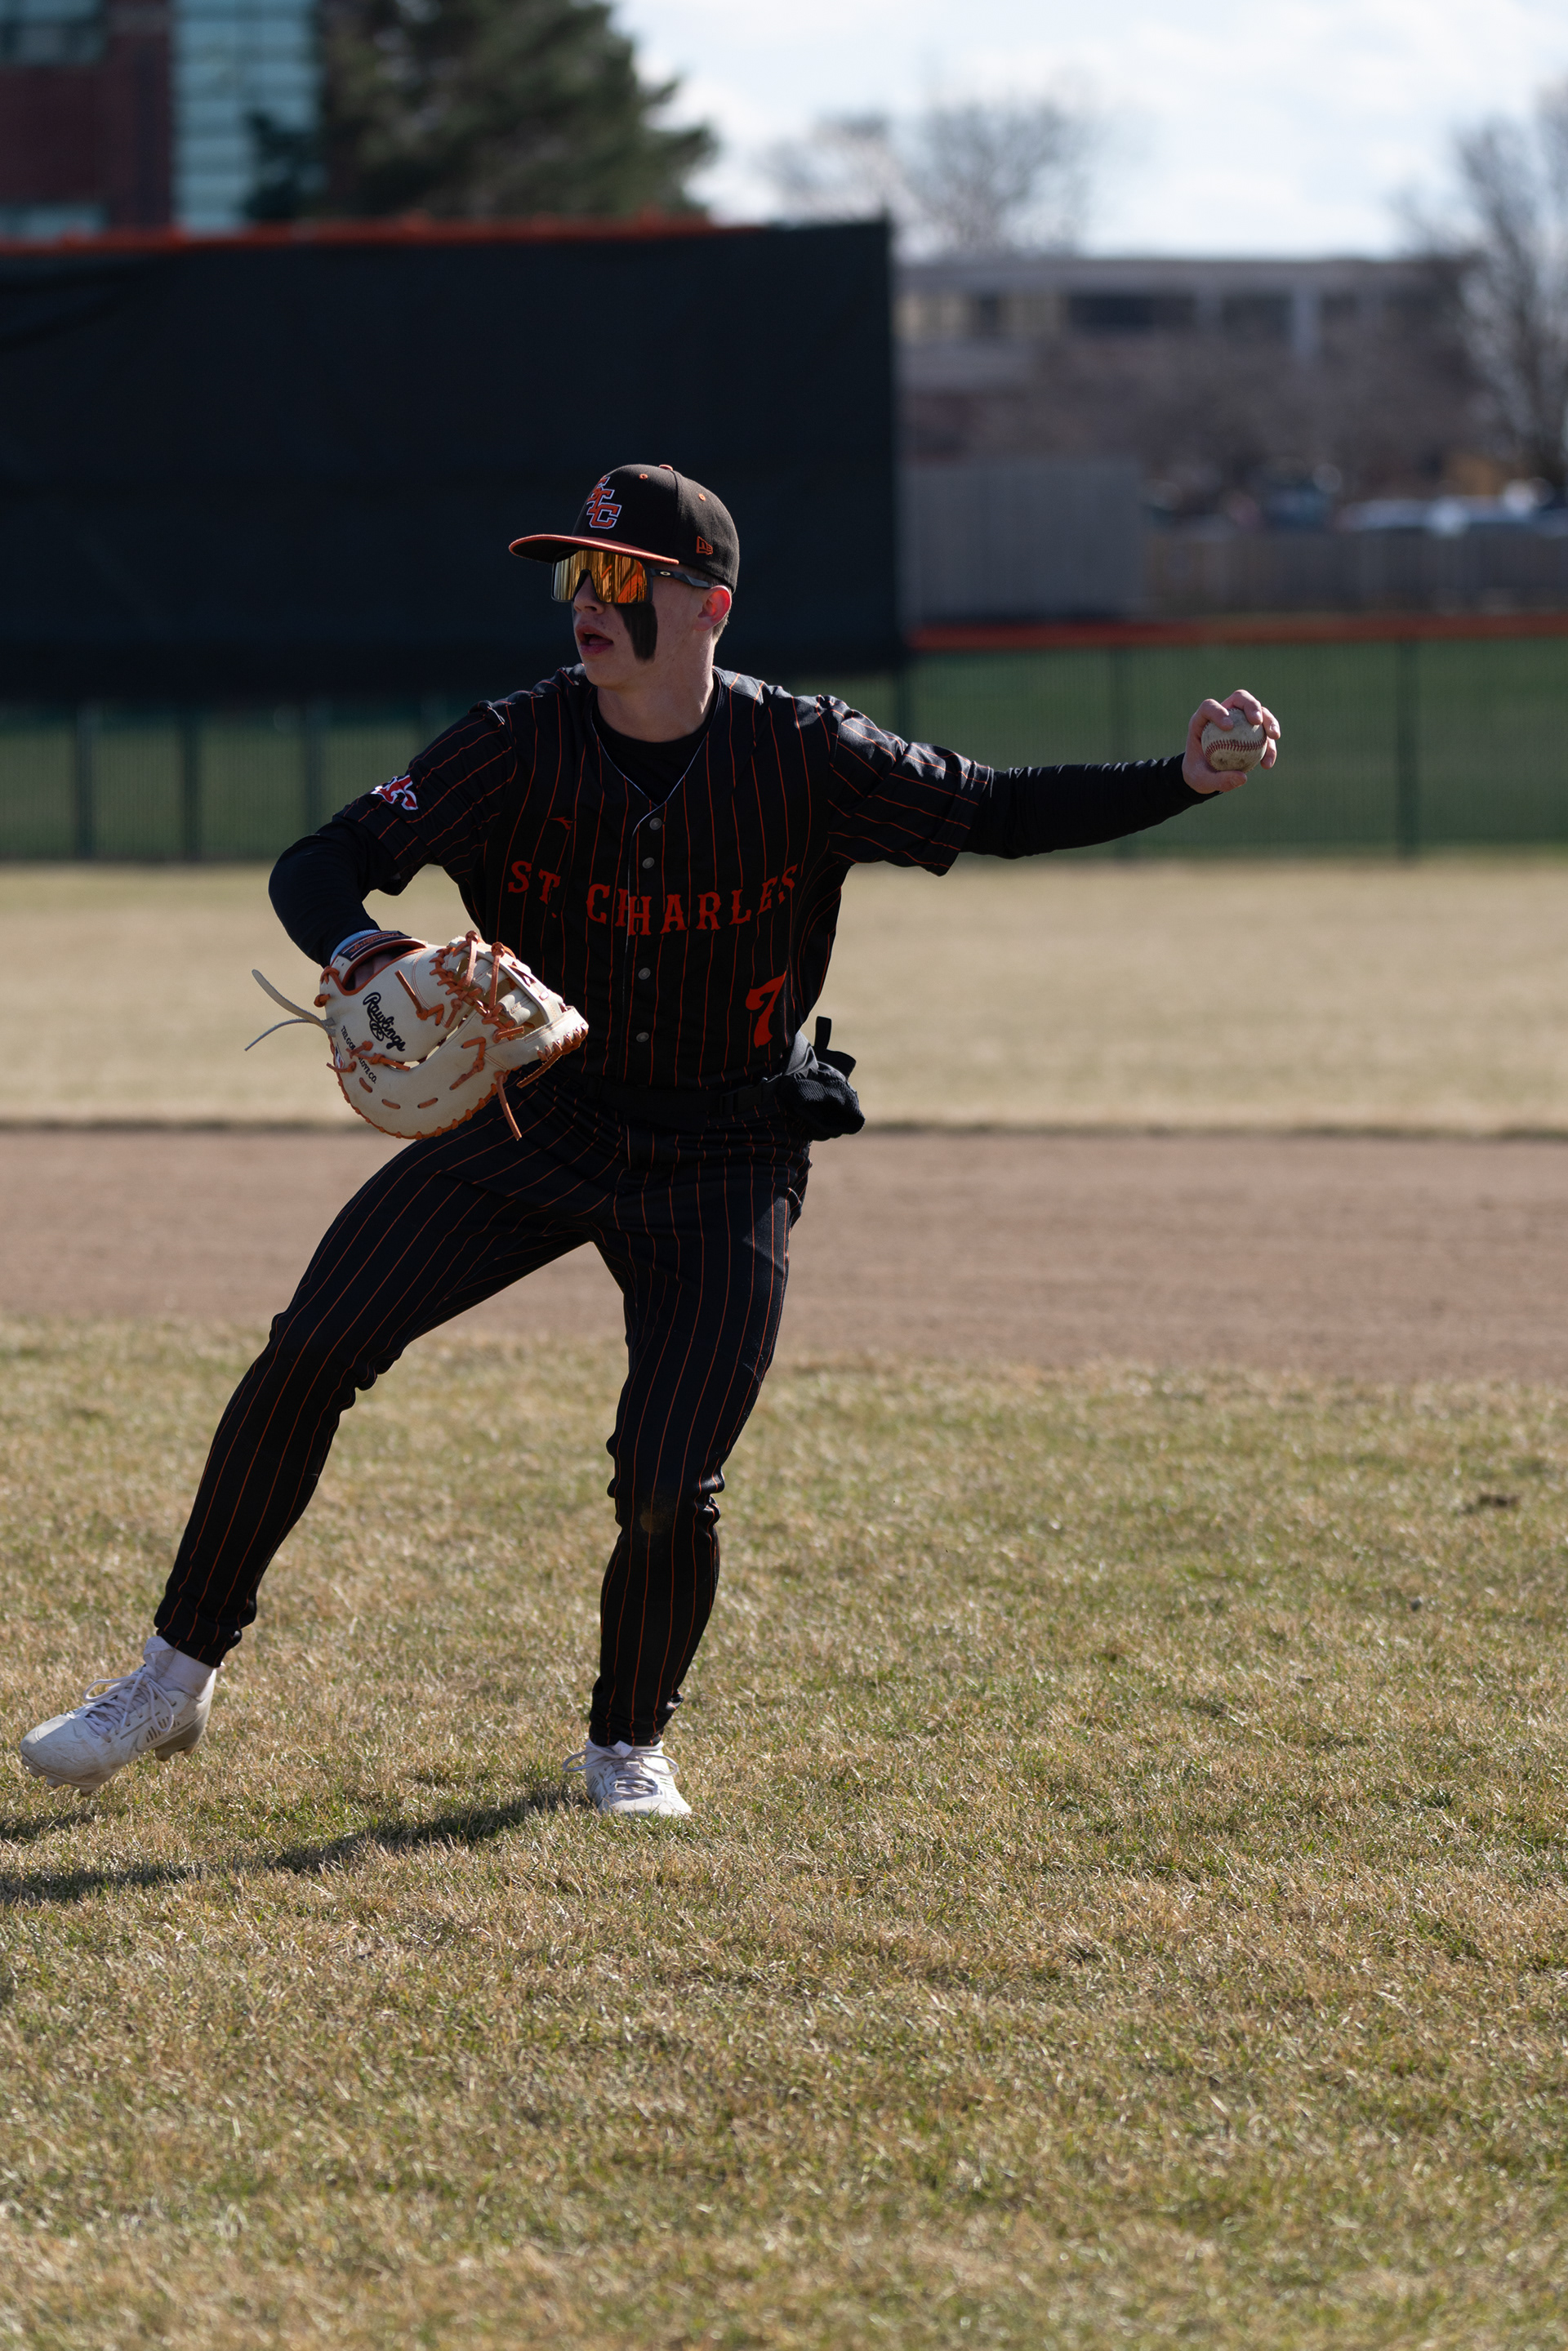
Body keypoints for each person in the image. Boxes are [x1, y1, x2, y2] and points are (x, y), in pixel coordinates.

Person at [19, 461, 1280, 1817]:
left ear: (708, 606)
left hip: (727, 1150)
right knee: (311, 1348)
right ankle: (173, 1677)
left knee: (669, 1480)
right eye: (579, 571)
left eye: (624, 575)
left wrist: (1185, 778)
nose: (589, 599)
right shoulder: (513, 742)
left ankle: (626, 1746)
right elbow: (319, 860)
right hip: (538, 1116)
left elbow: (1001, 809)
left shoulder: (807, 752)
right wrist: (362, 946)